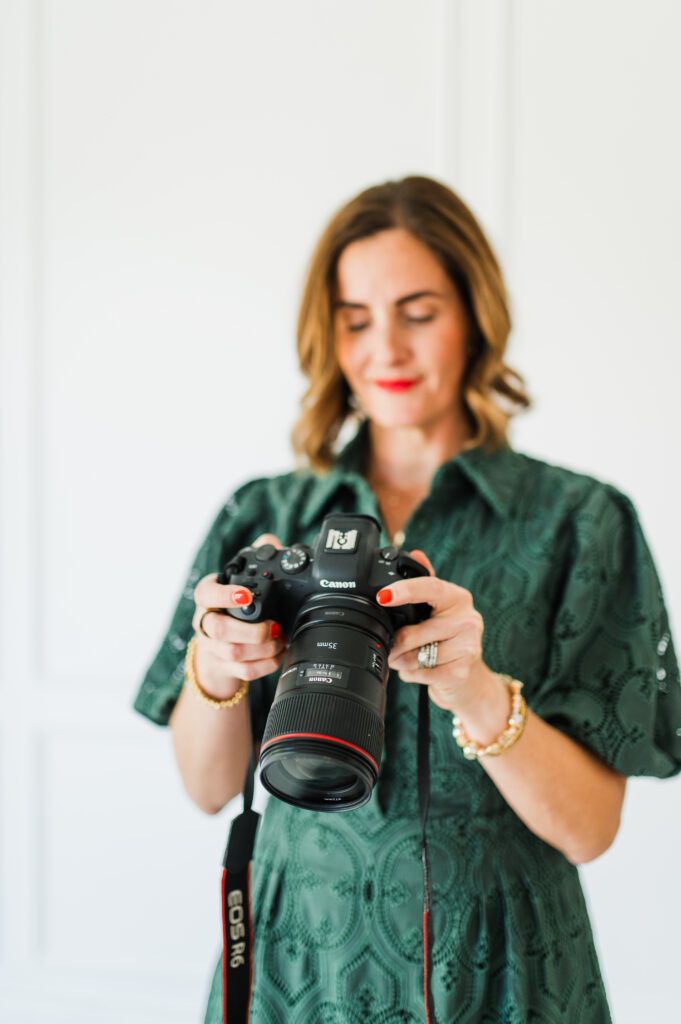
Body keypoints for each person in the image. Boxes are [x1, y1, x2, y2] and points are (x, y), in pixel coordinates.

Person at [134, 175, 681, 1024]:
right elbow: (208, 789)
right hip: (295, 952)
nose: (383, 348)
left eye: (417, 312)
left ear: (474, 317)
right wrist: (216, 669)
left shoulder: (582, 522)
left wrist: (474, 687)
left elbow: (589, 830)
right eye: (355, 318)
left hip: (502, 963)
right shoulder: (264, 519)